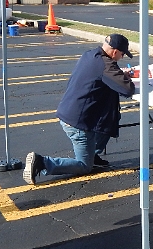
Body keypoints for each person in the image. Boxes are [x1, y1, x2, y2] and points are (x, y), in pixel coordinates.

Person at [24, 34, 135, 184]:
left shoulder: (90, 55)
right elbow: (128, 89)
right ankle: (42, 162)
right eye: (122, 54)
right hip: (78, 123)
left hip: (70, 112)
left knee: (107, 123)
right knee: (84, 166)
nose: (121, 58)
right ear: (115, 52)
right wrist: (125, 77)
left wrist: (120, 74)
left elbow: (102, 74)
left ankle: (93, 154)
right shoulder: (106, 65)